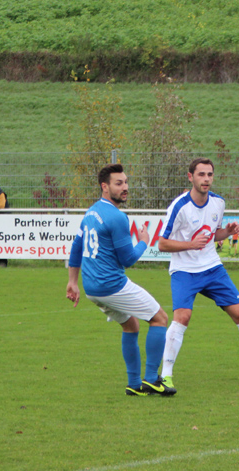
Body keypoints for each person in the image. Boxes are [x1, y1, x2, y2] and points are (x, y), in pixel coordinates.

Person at [157, 158, 239, 389]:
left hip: (212, 268)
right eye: (201, 174)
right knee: (182, 318)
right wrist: (190, 245)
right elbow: (162, 244)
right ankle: (165, 375)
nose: (206, 179)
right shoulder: (179, 207)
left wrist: (227, 232)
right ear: (190, 177)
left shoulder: (218, 203)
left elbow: (211, 235)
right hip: (184, 270)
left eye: (209, 175)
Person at [66, 164, 175, 397]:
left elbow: (76, 248)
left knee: (131, 325)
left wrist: (72, 282)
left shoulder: (91, 212)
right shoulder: (117, 217)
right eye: (119, 183)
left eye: (126, 182)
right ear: (104, 187)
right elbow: (128, 260)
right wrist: (144, 241)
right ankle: (152, 380)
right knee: (160, 318)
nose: (125, 187)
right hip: (111, 285)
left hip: (92, 288)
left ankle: (134, 385)